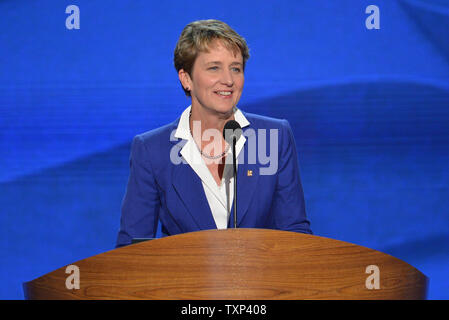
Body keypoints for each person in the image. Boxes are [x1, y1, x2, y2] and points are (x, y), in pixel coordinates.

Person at [116, 19, 311, 247]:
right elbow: (133, 248)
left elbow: (295, 234)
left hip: (261, 281)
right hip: (184, 281)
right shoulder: (152, 150)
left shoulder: (274, 137)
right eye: (214, 68)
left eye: (235, 68)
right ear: (186, 78)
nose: (228, 80)